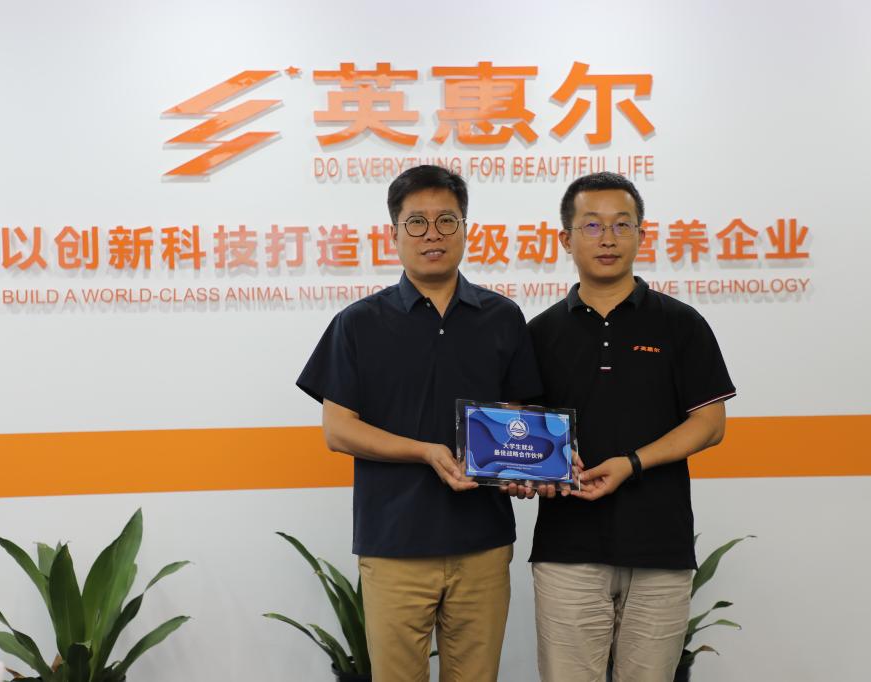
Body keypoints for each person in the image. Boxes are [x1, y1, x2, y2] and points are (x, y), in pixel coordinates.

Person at [296, 164, 542, 682]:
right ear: (394, 234)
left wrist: (525, 468)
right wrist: (425, 451)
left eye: (447, 220)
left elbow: (518, 420)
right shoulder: (359, 323)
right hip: (395, 545)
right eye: (417, 222)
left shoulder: (502, 317)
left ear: (466, 229)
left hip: (482, 542)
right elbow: (338, 430)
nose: (433, 234)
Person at [525, 172, 736, 682]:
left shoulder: (681, 323)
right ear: (565, 239)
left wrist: (632, 463)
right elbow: (523, 433)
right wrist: (534, 468)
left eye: (622, 225)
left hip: (659, 546)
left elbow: (710, 424)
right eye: (592, 225)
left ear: (641, 235)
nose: (608, 238)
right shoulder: (537, 333)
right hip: (568, 549)